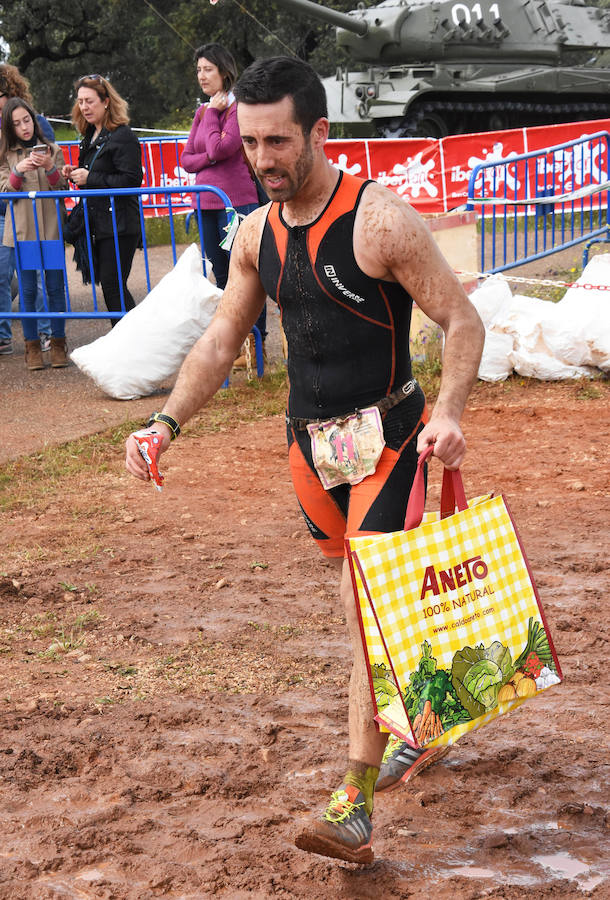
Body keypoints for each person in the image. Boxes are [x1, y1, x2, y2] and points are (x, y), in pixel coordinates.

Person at [125, 57, 485, 865]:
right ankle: (427, 717)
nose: (262, 159)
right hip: (311, 451)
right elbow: (222, 339)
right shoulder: (255, 234)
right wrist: (164, 424)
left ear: (319, 132)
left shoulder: (381, 221)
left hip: (392, 441)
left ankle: (353, 805)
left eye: (278, 141)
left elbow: (462, 321)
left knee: (366, 609)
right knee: (376, 606)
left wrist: (450, 414)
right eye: (251, 143)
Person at [180, 43, 266, 366]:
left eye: (208, 69)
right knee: (220, 272)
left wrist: (215, 119)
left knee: (244, 272)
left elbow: (221, 148)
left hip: (236, 203)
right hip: (205, 202)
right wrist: (208, 156)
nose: (201, 76)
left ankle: (256, 343)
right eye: (198, 70)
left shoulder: (235, 108)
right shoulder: (202, 111)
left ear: (224, 71)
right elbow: (187, 159)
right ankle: (234, 343)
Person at [62, 75, 142, 326]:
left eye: (90, 101)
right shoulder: (89, 135)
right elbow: (96, 176)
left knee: (113, 285)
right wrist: (75, 173)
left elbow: (131, 180)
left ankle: (133, 339)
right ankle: (132, 338)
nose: (84, 107)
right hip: (100, 223)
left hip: (121, 223)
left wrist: (90, 177)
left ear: (106, 101)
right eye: (80, 101)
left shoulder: (123, 135)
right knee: (112, 286)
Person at [0, 97, 69, 370]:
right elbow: (4, 191)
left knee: (55, 287)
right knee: (28, 290)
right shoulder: (5, 155)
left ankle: (58, 344)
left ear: (34, 119)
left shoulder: (53, 149)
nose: (24, 127)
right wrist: (18, 171)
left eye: (26, 120)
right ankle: (32, 348)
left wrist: (49, 167)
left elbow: (62, 188)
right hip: (22, 232)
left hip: (51, 230)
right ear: (10, 128)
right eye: (17, 124)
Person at [0, 63, 54, 356]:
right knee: (5, 275)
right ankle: (4, 336)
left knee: (38, 278)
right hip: (6, 211)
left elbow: (51, 162)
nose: (23, 127)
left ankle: (46, 333)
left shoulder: (37, 122)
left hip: (30, 214)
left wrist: (48, 168)